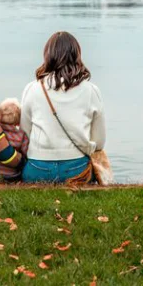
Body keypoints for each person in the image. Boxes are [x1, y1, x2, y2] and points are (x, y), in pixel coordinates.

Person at [20, 31, 106, 184]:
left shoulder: (32, 88)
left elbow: (25, 132)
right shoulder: (91, 90)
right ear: (77, 55)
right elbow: (99, 142)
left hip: (38, 167)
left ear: (47, 55)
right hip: (76, 167)